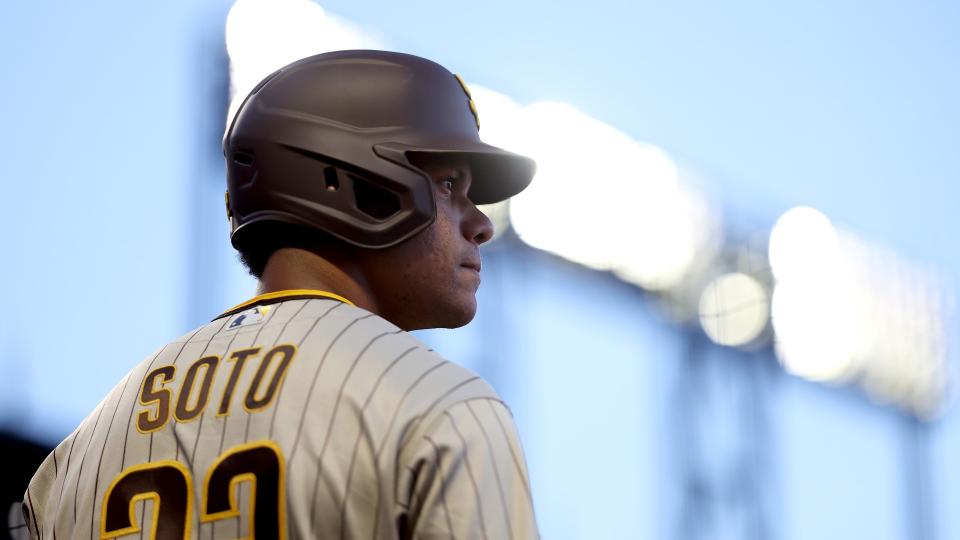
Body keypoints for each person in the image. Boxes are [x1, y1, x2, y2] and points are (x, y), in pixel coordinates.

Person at [21, 50, 539, 539]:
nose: (480, 225)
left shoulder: (70, 461)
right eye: (450, 185)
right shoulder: (442, 404)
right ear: (357, 181)